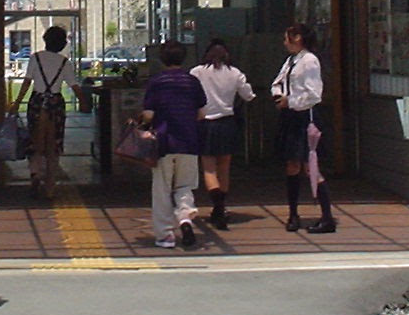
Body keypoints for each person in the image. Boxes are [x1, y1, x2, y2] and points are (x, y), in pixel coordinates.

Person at [140, 40, 208, 248]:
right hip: (189, 141)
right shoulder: (192, 81)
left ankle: (165, 235)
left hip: (163, 142)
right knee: (185, 186)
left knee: (162, 189)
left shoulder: (157, 81)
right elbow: (202, 112)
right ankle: (185, 218)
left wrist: (144, 123)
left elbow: (149, 114)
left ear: (162, 58)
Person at [271, 23, 335, 233]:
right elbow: (278, 81)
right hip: (290, 116)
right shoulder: (291, 60)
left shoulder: (309, 61)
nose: (284, 42)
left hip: (305, 116)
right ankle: (293, 214)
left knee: (310, 165)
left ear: (297, 38)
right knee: (292, 164)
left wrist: (291, 101)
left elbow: (314, 94)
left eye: (287, 37)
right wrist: (279, 94)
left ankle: (327, 217)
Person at [11, 25, 85, 198]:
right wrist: (84, 101)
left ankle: (35, 173)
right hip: (56, 104)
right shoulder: (65, 63)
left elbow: (27, 83)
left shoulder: (35, 58)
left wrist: (16, 103)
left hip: (37, 102)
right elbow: (74, 86)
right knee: (53, 144)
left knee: (35, 140)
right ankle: (50, 185)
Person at [190, 40, 255, 230]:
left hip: (205, 123)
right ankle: (221, 207)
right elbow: (248, 95)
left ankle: (217, 207)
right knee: (224, 167)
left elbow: (191, 95)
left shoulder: (197, 72)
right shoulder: (235, 73)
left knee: (209, 169)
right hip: (227, 123)